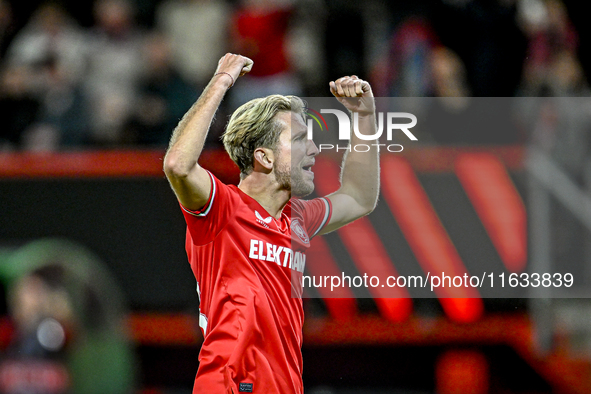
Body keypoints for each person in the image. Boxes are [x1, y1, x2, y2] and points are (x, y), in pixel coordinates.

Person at [163, 53, 380, 394]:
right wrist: (221, 80)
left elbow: (359, 198)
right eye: (298, 140)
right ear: (263, 156)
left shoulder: (298, 219)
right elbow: (177, 164)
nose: (313, 147)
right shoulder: (222, 208)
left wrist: (364, 117)